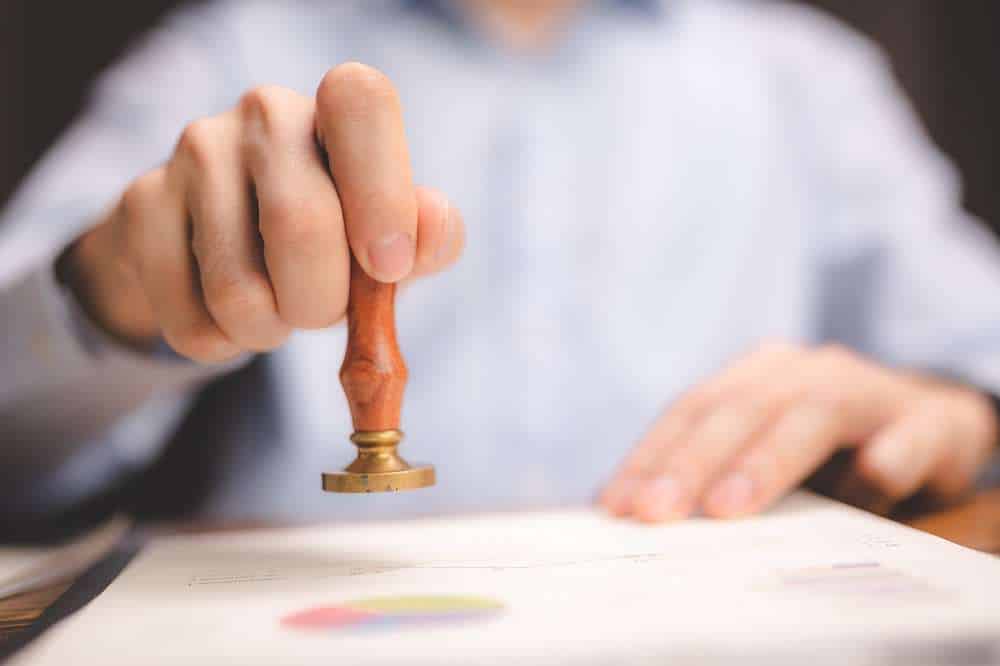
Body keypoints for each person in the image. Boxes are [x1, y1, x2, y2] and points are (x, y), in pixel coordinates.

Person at [2, 0, 998, 530]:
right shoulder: (227, 49)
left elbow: (976, 340)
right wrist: (103, 302)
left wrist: (954, 407)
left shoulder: (803, 79)